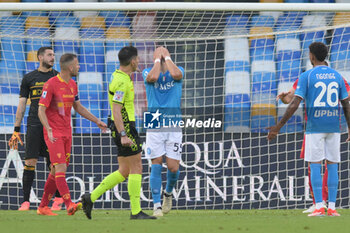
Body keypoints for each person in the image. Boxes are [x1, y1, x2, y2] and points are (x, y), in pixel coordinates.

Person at [268, 42, 350, 217]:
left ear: (311, 56)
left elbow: (294, 103)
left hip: (314, 127)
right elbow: (346, 103)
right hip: (334, 126)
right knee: (333, 165)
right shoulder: (338, 76)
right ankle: (332, 208)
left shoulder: (307, 75)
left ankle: (319, 206)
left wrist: (278, 126)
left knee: (314, 166)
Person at [81, 46, 156, 220]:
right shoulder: (122, 81)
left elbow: (116, 105)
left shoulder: (119, 75)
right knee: (137, 166)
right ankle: (136, 211)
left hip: (121, 125)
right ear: (132, 61)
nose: (139, 61)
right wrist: (123, 133)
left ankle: (90, 198)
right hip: (125, 126)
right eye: (137, 59)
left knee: (124, 170)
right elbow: (116, 108)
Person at [36, 53, 107, 216]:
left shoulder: (73, 84)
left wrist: (96, 121)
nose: (79, 66)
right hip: (53, 133)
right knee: (60, 167)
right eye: (77, 64)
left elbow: (78, 107)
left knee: (56, 170)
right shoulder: (51, 84)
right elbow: (41, 109)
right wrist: (48, 128)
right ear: (70, 67)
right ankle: (69, 204)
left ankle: (43, 207)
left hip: (67, 133)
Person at [8, 47, 64, 211]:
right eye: (49, 55)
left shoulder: (58, 77)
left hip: (53, 126)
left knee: (54, 163)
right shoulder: (29, 78)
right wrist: (16, 129)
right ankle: (25, 202)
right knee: (30, 162)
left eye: (54, 54)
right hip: (34, 124)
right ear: (40, 57)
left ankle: (58, 199)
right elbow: (21, 104)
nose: (52, 57)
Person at [142, 46, 184, 217]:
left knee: (173, 168)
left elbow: (176, 76)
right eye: (157, 53)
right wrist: (157, 61)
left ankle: (168, 193)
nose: (160, 55)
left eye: (163, 52)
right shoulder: (147, 71)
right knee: (156, 163)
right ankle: (156, 205)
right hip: (154, 121)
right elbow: (152, 77)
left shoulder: (177, 69)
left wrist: (166, 59)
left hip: (173, 121)